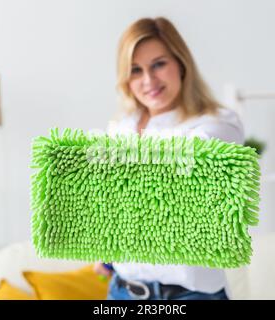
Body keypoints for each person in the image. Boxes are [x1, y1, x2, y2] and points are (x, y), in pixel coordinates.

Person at [94, 17, 244, 300]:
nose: (149, 80)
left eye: (158, 64)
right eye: (135, 70)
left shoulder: (218, 125)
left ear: (181, 63)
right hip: (124, 292)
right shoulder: (121, 127)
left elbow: (177, 187)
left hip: (190, 295)